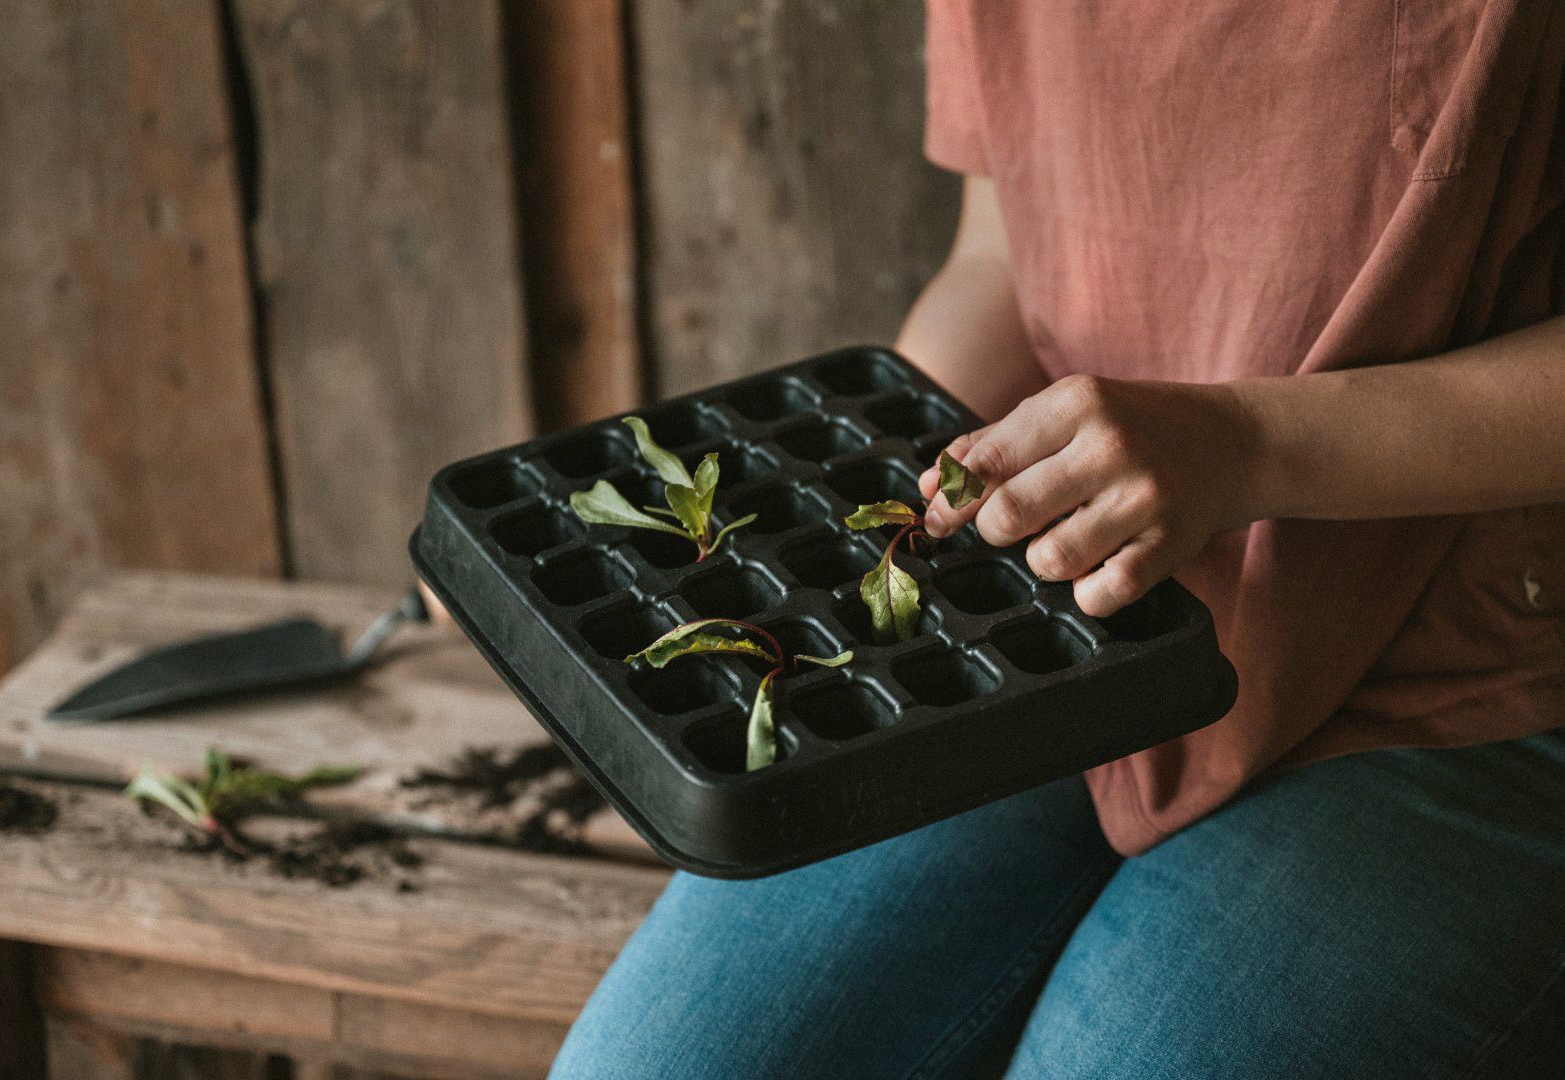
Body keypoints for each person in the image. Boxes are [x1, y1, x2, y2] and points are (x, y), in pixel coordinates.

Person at [549, 3, 1565, 1076]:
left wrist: (1246, 443)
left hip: (1450, 680)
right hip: (1050, 630)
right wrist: (876, 510)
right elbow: (1001, 259)